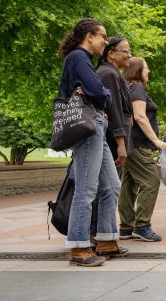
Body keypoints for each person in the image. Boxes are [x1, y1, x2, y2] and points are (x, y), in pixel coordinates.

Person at [58, 18, 126, 267]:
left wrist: (98, 93)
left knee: (111, 185)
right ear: (89, 36)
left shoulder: (82, 60)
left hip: (98, 125)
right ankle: (78, 246)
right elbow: (99, 92)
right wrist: (101, 94)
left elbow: (96, 91)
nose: (105, 41)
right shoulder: (78, 57)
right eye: (103, 36)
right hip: (88, 127)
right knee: (87, 188)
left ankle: (107, 239)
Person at [119, 57, 166, 242]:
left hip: (128, 144)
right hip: (138, 144)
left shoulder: (126, 87)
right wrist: (156, 140)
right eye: (146, 68)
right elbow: (140, 116)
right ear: (138, 70)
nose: (148, 72)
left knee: (129, 185)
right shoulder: (138, 87)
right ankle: (142, 225)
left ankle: (125, 227)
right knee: (151, 180)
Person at [96, 36, 133, 169]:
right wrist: (121, 145)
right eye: (126, 51)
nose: (129, 55)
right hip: (111, 142)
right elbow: (114, 111)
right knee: (110, 187)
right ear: (111, 53)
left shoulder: (111, 73)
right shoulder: (109, 74)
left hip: (110, 139)